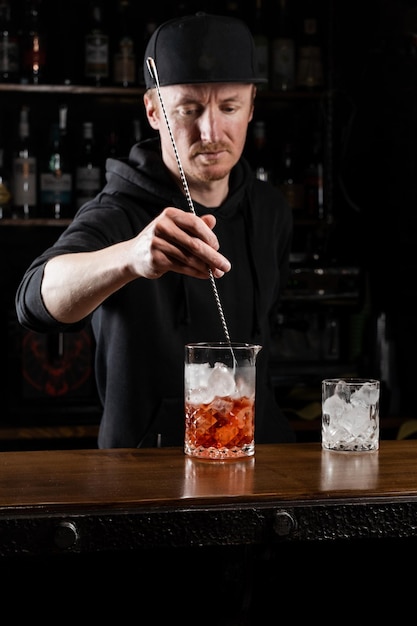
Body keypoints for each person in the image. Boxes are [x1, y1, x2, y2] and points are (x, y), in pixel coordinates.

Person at [15, 12, 296, 448]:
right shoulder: (119, 209)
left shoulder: (271, 209)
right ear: (153, 111)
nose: (211, 131)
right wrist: (130, 257)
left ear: (252, 106)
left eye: (229, 107)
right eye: (189, 109)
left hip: (256, 458)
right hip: (143, 474)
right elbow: (34, 300)